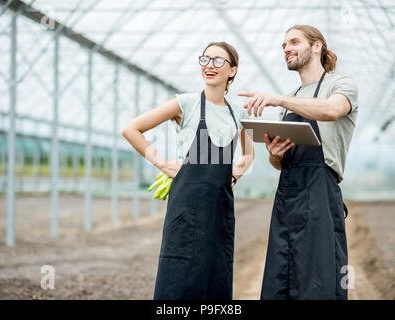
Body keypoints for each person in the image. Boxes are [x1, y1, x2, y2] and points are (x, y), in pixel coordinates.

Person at [122, 41, 254, 300]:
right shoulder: (186, 104)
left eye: (218, 61)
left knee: (215, 274)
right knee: (179, 273)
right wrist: (161, 162)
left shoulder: (238, 114)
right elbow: (131, 130)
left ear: (233, 71)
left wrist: (235, 174)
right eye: (205, 59)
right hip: (186, 207)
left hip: (220, 208)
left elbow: (249, 154)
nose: (209, 65)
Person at [239, 25, 358, 299]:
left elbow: (331, 111)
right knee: (281, 275)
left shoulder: (340, 85)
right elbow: (279, 164)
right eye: (283, 45)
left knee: (318, 278)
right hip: (287, 197)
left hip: (320, 194)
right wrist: (275, 154)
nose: (286, 49)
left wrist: (278, 98)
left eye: (294, 42)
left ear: (317, 46)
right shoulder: (291, 98)